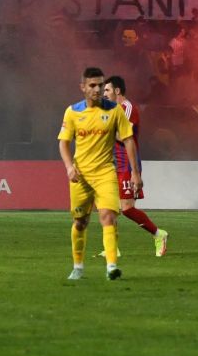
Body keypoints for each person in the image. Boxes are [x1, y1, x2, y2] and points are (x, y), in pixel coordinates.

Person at [57, 67, 141, 280]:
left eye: (101, 85)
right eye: (92, 85)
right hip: (81, 176)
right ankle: (78, 267)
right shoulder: (73, 112)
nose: (97, 89)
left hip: (105, 172)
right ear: (83, 87)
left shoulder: (115, 111)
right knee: (80, 222)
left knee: (108, 216)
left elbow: (129, 140)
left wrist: (135, 174)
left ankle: (111, 266)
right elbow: (64, 143)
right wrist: (69, 167)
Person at [102, 76, 169, 257]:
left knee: (127, 208)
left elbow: (125, 136)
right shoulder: (113, 111)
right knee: (109, 207)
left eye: (107, 90)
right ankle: (112, 248)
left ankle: (158, 234)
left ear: (117, 91)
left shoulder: (128, 109)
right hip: (114, 165)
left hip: (127, 165)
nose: (104, 94)